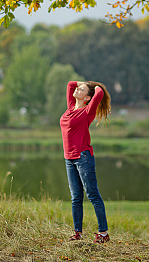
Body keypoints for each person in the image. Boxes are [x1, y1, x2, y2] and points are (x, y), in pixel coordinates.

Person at [60, 80, 111, 243]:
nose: (77, 89)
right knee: (76, 197)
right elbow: (69, 84)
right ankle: (77, 233)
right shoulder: (70, 107)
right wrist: (83, 83)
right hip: (69, 158)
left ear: (88, 98)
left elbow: (100, 93)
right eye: (78, 88)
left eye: (81, 90)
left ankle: (103, 233)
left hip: (83, 157)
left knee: (93, 195)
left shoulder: (88, 111)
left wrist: (94, 86)